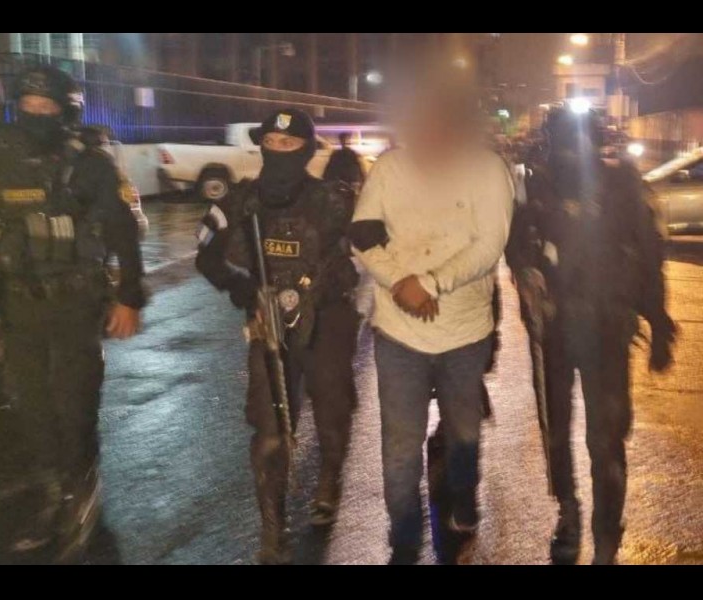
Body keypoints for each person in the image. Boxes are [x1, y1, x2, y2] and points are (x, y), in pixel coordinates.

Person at [0, 66, 146, 552]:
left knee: (74, 404)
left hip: (76, 303)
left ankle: (81, 489)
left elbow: (124, 234)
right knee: (31, 406)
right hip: (20, 306)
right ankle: (54, 495)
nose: (36, 114)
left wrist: (130, 297)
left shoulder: (91, 165)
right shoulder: (2, 162)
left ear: (66, 112)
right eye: (28, 106)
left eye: (46, 107)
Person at [350, 77, 514, 565]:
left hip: (464, 331)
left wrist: (431, 282)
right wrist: (401, 282)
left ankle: (463, 498)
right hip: (398, 331)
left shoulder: (487, 170)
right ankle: (403, 538)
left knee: (464, 433)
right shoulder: (389, 168)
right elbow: (363, 234)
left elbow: (489, 245)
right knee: (400, 447)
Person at [506, 107, 676, 565]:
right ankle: (569, 508)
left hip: (607, 330)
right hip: (555, 331)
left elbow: (648, 254)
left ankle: (606, 532)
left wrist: (659, 322)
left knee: (606, 437)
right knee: (558, 430)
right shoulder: (536, 186)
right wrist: (528, 275)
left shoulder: (623, 185)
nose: (570, 151)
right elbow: (516, 243)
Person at [196, 109, 360, 565]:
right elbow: (206, 255)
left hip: (326, 319)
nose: (279, 151)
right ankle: (273, 530)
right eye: (271, 143)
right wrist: (243, 288)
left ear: (306, 150)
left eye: (289, 145)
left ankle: (328, 479)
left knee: (332, 413)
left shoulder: (334, 201)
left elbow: (373, 244)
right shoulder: (238, 201)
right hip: (269, 324)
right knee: (269, 432)